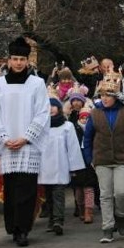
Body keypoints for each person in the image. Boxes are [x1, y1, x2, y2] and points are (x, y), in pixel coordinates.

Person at [0, 37, 50, 247]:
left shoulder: (37, 83)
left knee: (27, 189)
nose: (18, 63)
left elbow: (42, 113)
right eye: (14, 59)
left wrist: (26, 137)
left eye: (22, 59)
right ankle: (12, 227)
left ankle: (23, 229)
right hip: (7, 145)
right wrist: (4, 139)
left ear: (27, 61)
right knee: (12, 188)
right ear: (9, 60)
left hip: (28, 144)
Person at [83, 72, 124, 243]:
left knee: (122, 192)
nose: (105, 98)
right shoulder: (94, 113)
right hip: (101, 160)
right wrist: (90, 159)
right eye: (102, 95)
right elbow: (87, 138)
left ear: (116, 96)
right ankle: (107, 227)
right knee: (105, 194)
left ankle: (121, 216)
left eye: (108, 95)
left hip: (123, 159)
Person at [38, 98, 85, 236]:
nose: (51, 109)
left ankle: (59, 220)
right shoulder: (41, 126)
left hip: (60, 165)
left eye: (54, 106)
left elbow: (73, 147)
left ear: (58, 108)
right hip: (45, 166)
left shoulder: (67, 126)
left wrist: (74, 167)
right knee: (48, 194)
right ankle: (51, 220)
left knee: (58, 193)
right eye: (48, 106)